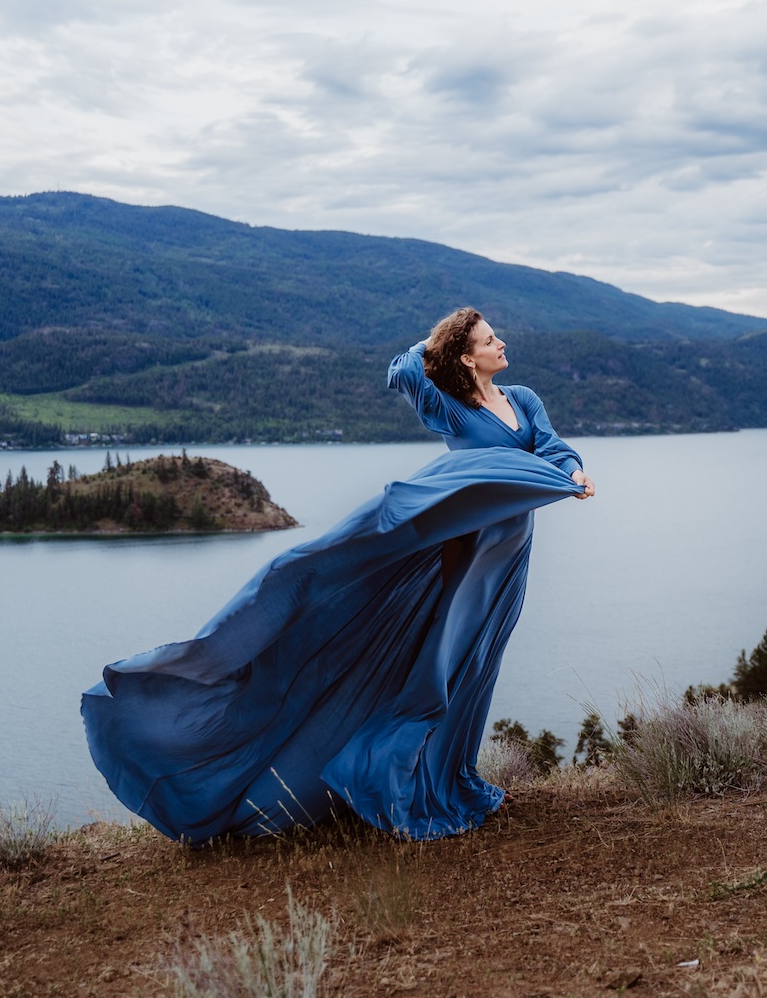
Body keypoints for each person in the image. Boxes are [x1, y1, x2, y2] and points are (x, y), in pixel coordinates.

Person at [81, 307, 594, 842]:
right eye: (490, 339)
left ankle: (454, 776)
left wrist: (574, 472)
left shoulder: (524, 399)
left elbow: (552, 448)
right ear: (467, 358)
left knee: (481, 662)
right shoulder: (450, 406)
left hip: (510, 553)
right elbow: (402, 369)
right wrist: (441, 336)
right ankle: (390, 778)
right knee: (447, 661)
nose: (502, 344)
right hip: (467, 552)